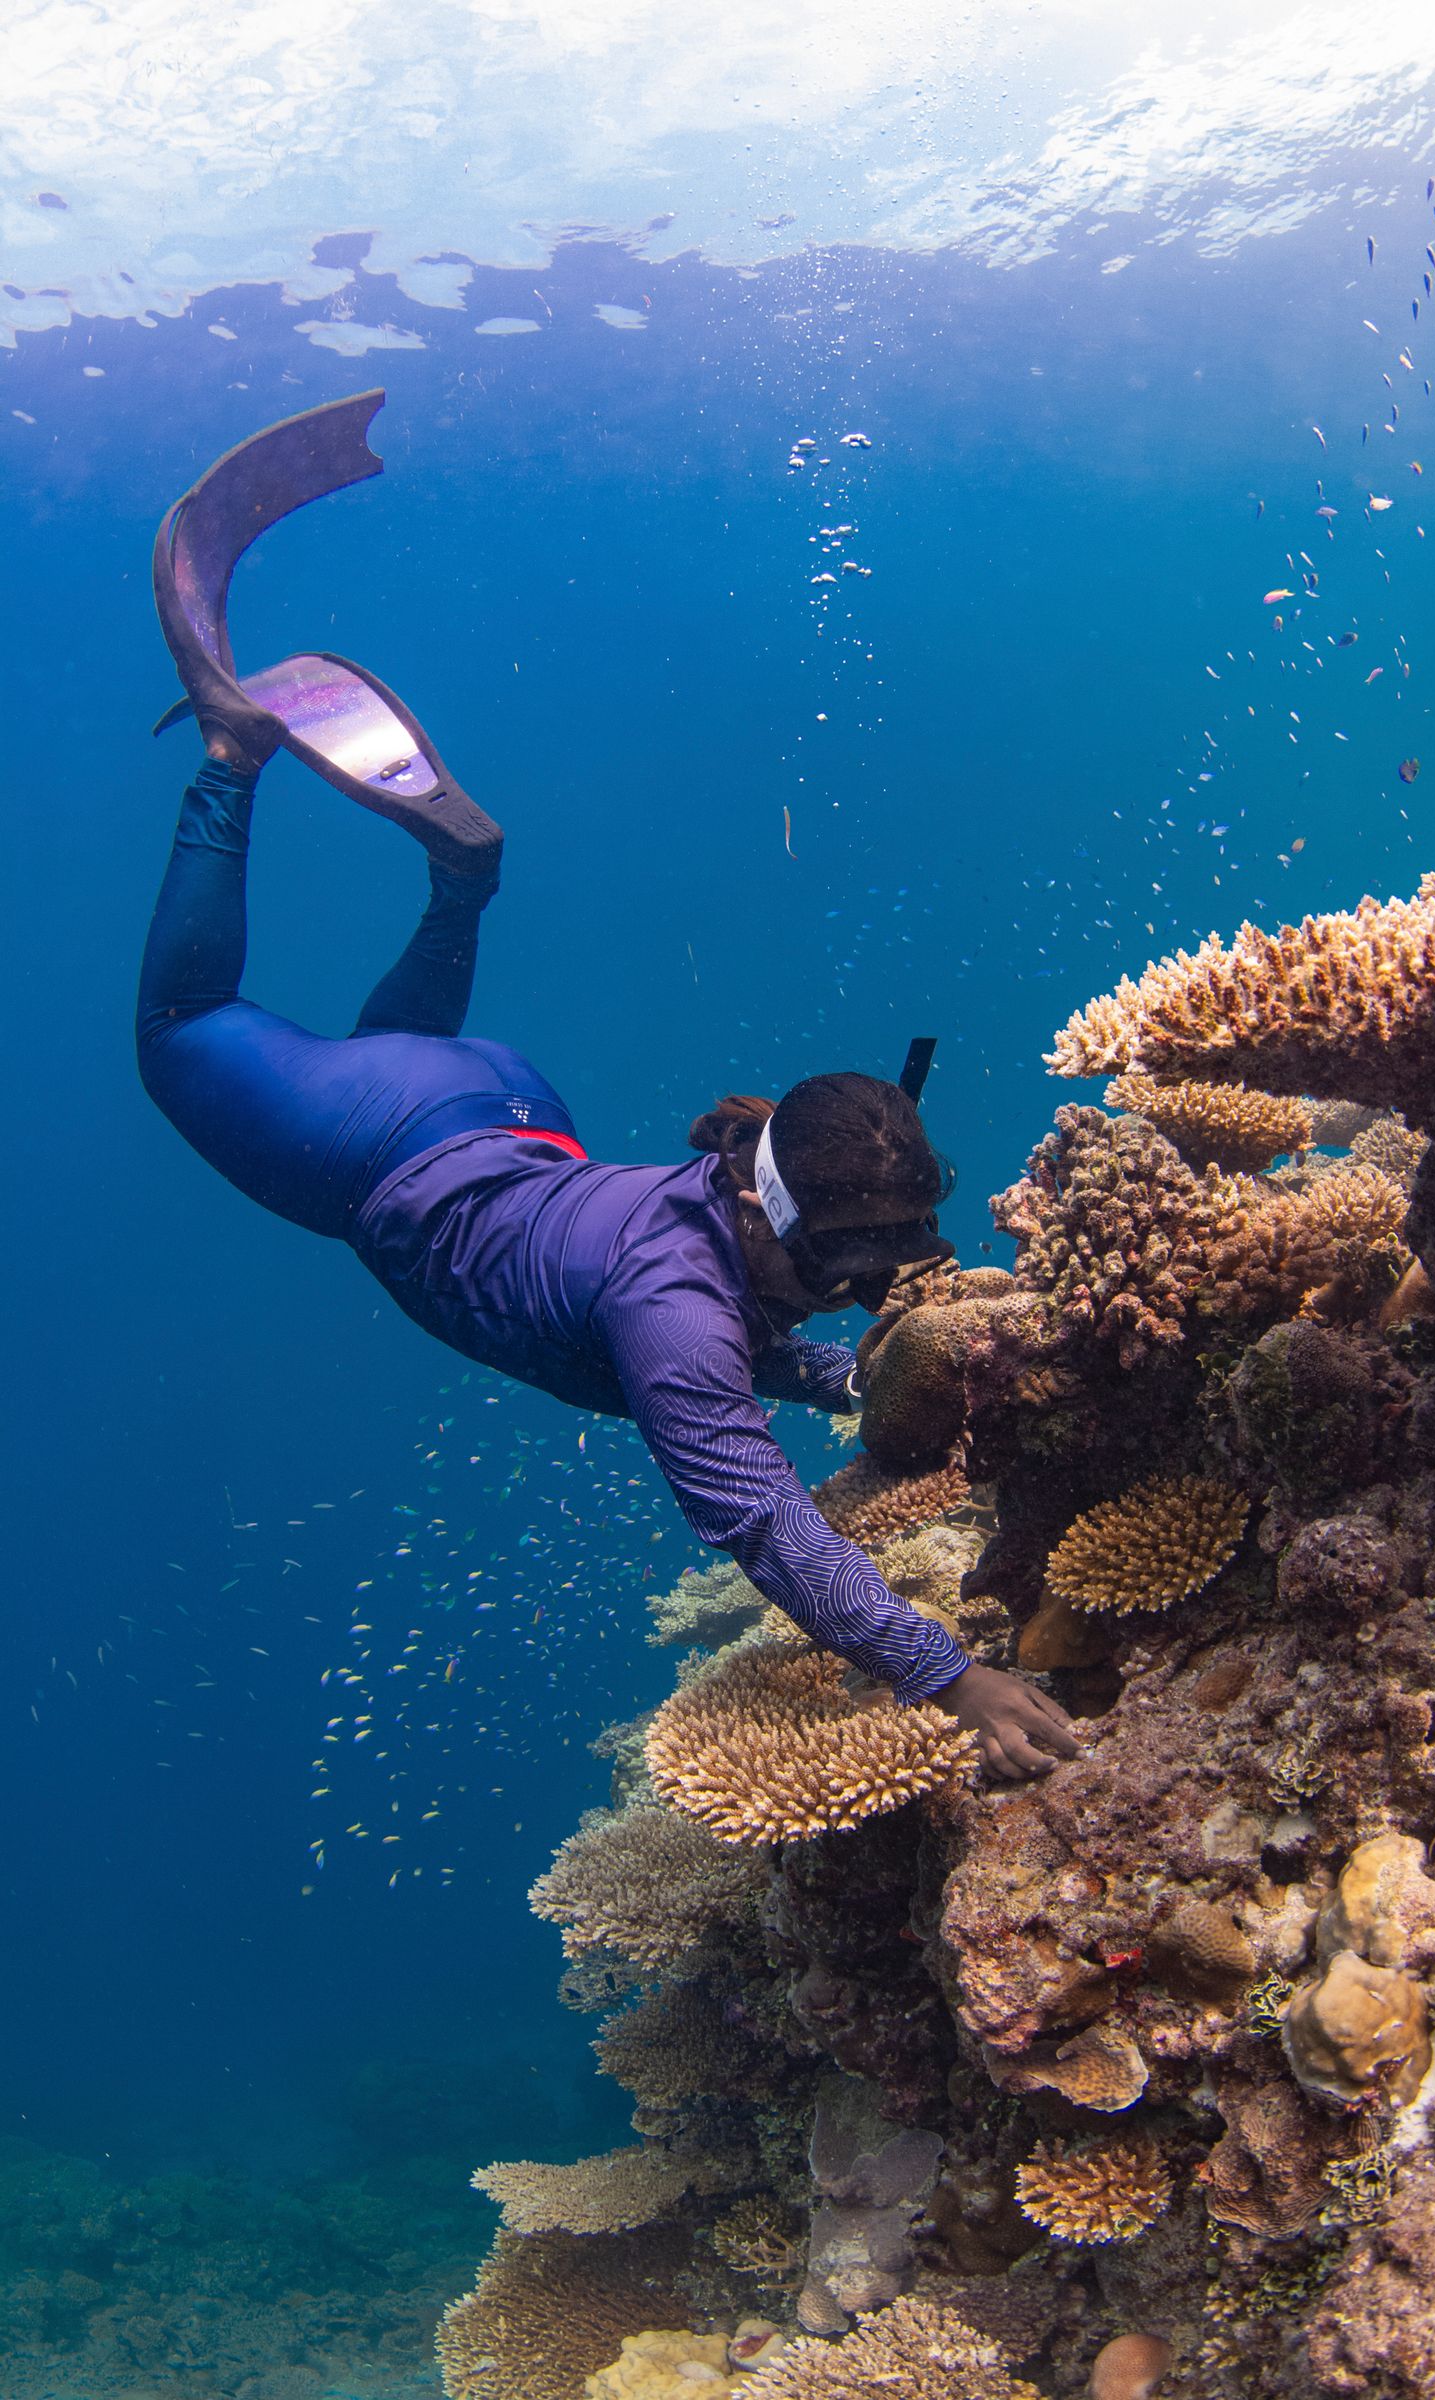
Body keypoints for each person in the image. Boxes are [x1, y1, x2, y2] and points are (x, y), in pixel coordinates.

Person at [136, 676, 1077, 1786]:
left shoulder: (737, 1224)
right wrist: (948, 1677)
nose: (852, 1289)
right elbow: (766, 1520)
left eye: (892, 1263)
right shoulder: (671, 1311)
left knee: (380, 1042)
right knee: (178, 1025)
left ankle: (458, 886)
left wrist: (906, 1383)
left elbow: (758, 1347)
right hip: (394, 1139)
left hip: (483, 1100)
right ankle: (233, 756)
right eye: (839, 1261)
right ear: (763, 1202)